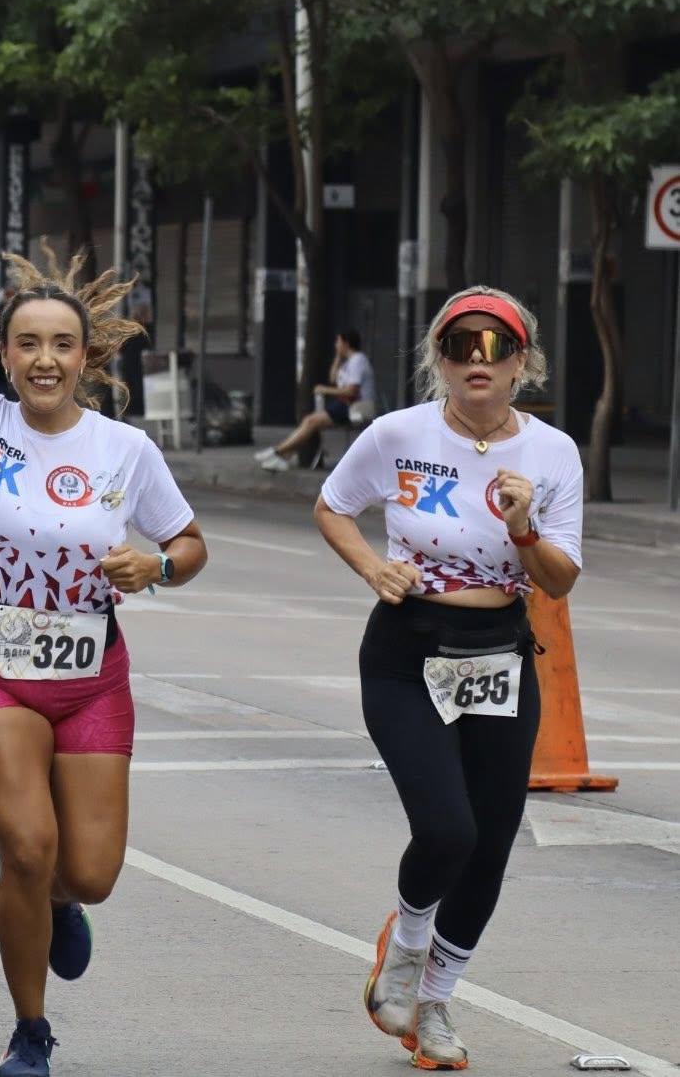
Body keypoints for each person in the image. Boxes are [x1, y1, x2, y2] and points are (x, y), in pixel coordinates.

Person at [0, 109, 209, 1077]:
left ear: (86, 356)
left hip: (92, 671)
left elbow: (188, 542)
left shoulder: (124, 451)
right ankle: (29, 1028)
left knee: (83, 873)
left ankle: (59, 907)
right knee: (24, 845)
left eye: (62, 343)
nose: (44, 359)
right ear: (5, 354)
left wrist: (160, 567)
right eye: (27, 344)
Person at [313, 286, 582, 1071]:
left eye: (495, 347)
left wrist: (523, 525)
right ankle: (403, 947)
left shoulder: (552, 452)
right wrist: (373, 566)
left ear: (522, 362)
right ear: (438, 357)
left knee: (491, 845)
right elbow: (332, 506)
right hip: (407, 649)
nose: (477, 360)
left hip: (500, 649)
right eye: (460, 344)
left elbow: (559, 581)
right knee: (448, 830)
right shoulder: (399, 433)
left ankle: (433, 1005)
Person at [256, 331, 376, 471]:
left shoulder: (358, 360)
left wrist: (325, 390)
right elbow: (333, 378)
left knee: (311, 421)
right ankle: (282, 455)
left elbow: (352, 391)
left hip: (355, 407)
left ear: (345, 343)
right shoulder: (348, 362)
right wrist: (338, 357)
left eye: (338, 342)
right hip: (345, 405)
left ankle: (278, 451)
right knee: (310, 421)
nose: (336, 345)